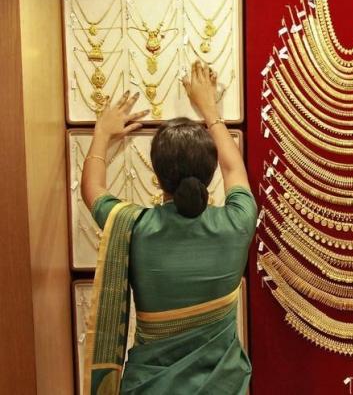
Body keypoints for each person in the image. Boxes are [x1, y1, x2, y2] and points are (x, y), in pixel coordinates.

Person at [80, 61, 256, 395]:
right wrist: (210, 109)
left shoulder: (134, 227)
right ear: (209, 172)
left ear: (158, 177)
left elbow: (92, 190)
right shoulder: (237, 222)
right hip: (225, 385)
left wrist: (102, 133)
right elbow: (235, 168)